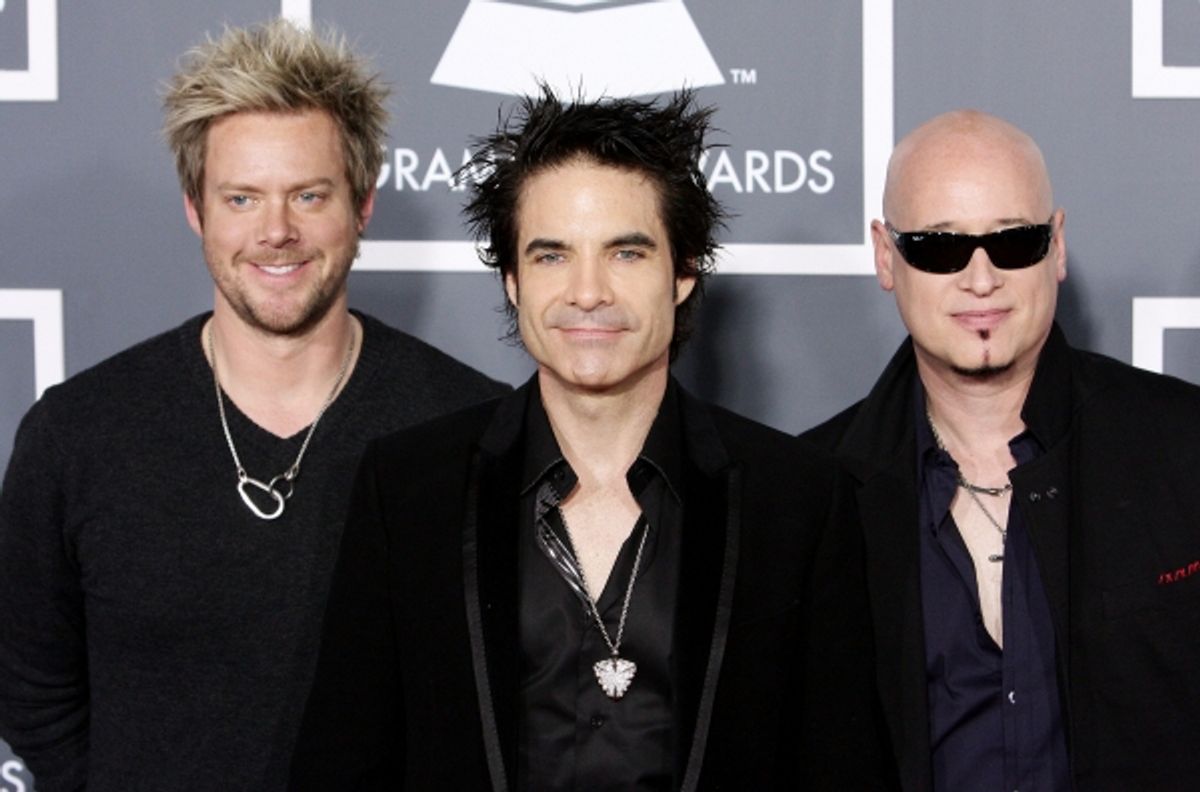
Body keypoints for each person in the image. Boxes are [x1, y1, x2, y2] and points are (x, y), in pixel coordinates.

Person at [289, 88, 889, 791]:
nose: (587, 292)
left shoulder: (797, 498)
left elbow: (843, 768)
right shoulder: (409, 489)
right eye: (551, 256)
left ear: (683, 272)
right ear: (512, 280)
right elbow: (344, 763)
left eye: (626, 253)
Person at [0, 18, 505, 792]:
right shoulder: (77, 434)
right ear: (196, 210)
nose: (276, 232)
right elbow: (31, 687)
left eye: (309, 195)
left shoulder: (474, 429)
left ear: (362, 206)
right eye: (242, 198)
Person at [803, 109, 1200, 791]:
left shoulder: (1183, 444)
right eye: (939, 247)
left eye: (1014, 241)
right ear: (885, 256)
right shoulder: (814, 494)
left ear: (1057, 246)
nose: (981, 279)